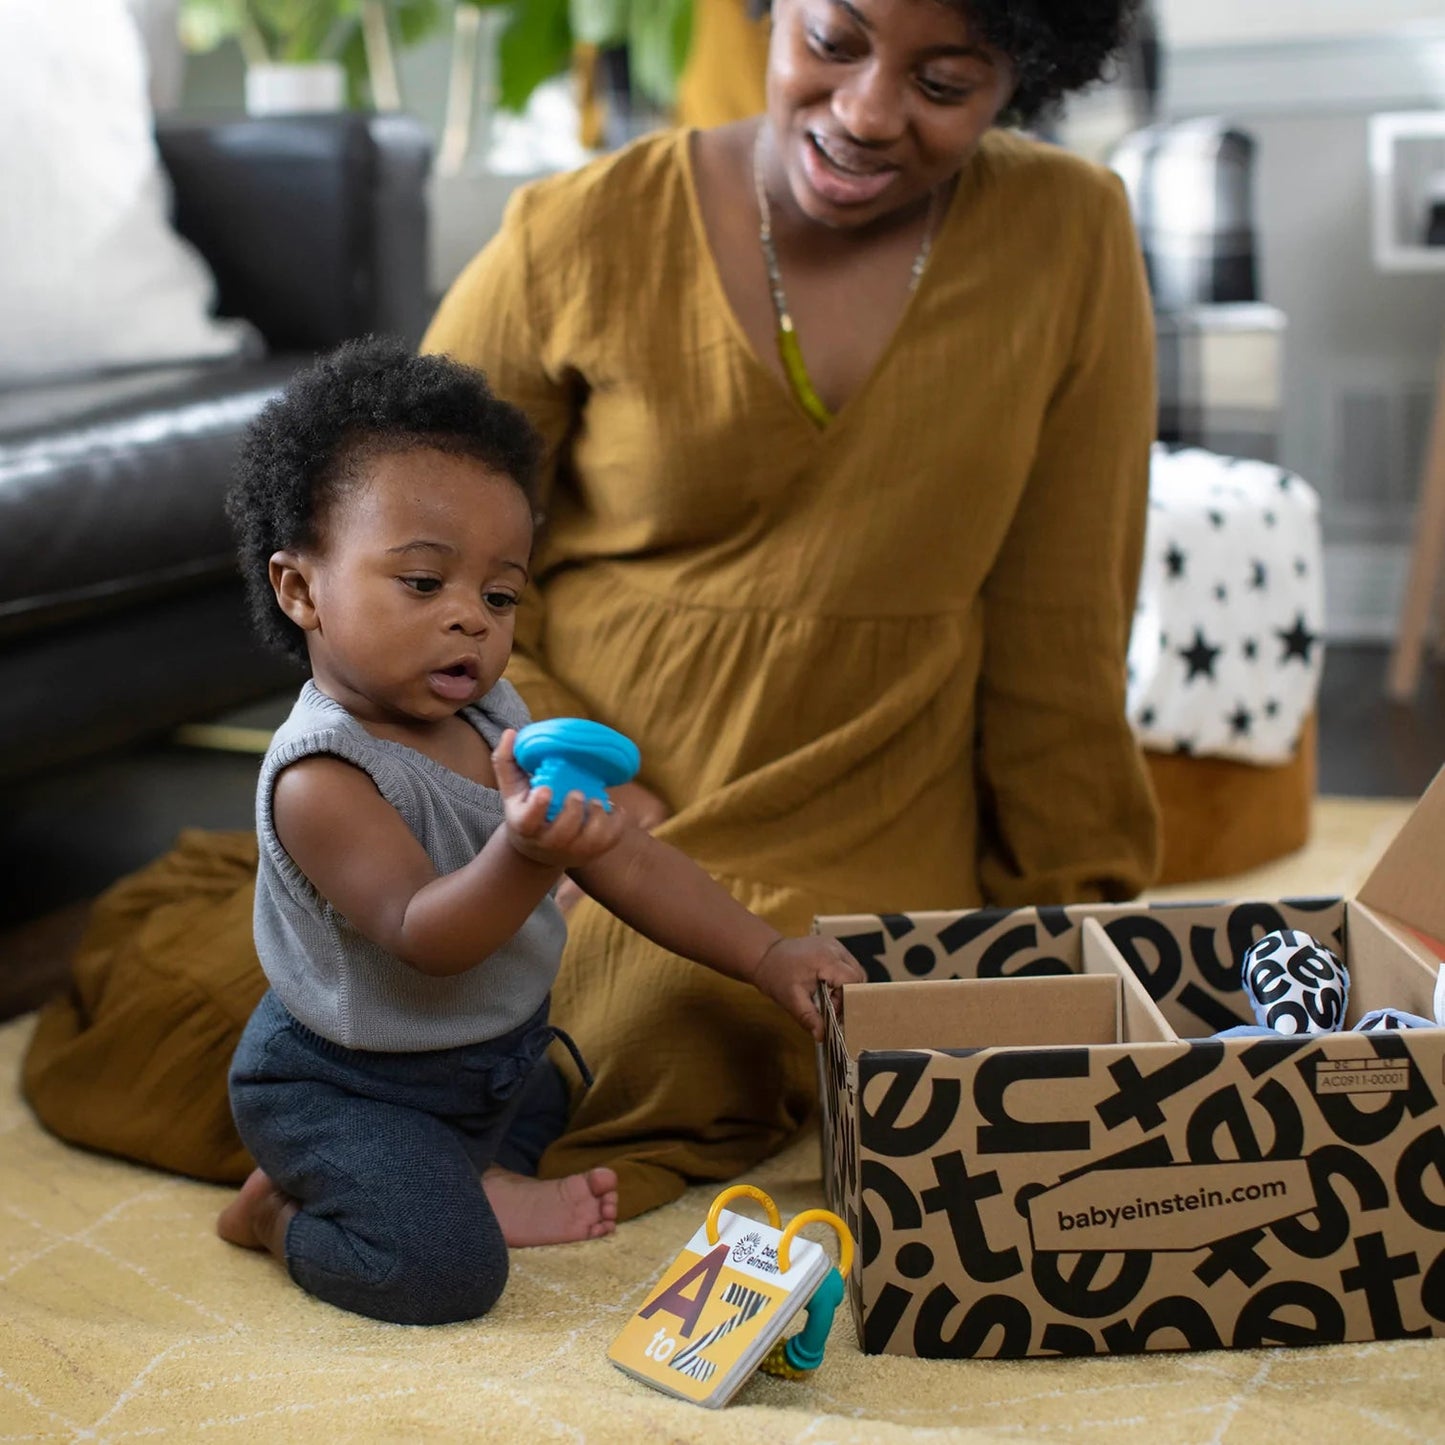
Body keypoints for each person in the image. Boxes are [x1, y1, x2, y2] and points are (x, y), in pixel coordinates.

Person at [23, 0, 1159, 1222]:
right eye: (833, 41)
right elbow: (403, 527)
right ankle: (365, 1159)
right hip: (545, 767)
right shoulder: (577, 228)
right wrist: (542, 764)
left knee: (725, 1009)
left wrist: (1070, 918)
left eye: (942, 81)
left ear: (1020, 75)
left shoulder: (1067, 230)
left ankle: (383, 1164)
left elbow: (1064, 614)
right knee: (315, 995)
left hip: (857, 791)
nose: (869, 110)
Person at [210, 338, 864, 1324]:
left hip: (487, 1056)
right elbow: (429, 935)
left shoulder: (497, 721)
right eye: (424, 583)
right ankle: (283, 1215)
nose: (470, 619)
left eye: (499, 593)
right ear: (301, 588)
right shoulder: (321, 774)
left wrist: (765, 953)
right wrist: (526, 852)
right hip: (349, 1082)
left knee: (571, 1084)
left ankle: (472, 1166)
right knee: (444, 1275)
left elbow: (629, 861)